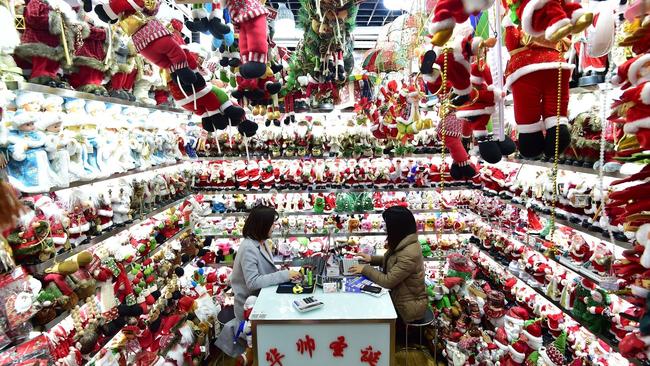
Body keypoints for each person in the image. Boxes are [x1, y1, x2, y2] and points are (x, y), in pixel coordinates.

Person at [216, 205, 302, 357]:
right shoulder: (249, 248)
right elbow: (253, 282)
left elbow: (265, 271)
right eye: (272, 223)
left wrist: (287, 276)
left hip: (261, 300)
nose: (274, 227)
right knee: (257, 351)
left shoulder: (261, 242)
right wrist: (284, 275)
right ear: (262, 225)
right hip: (250, 307)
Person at [348, 205, 428, 342]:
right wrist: (371, 259)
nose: (385, 229)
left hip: (407, 308)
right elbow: (392, 261)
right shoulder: (403, 243)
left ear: (397, 227)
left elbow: (388, 281)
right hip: (399, 298)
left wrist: (365, 269)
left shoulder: (409, 253)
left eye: (387, 226)